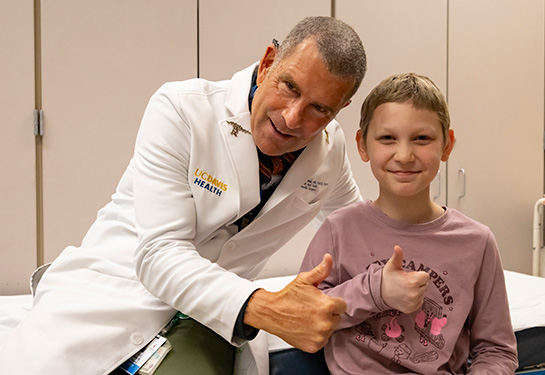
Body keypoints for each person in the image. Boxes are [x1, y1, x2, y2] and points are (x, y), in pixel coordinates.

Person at [0, 16, 367, 375]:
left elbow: (362, 231)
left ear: (340, 110)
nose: (291, 117)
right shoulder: (182, 109)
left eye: (320, 108)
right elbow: (159, 253)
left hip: (212, 317)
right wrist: (266, 307)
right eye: (289, 86)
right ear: (268, 62)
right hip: (116, 292)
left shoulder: (329, 154)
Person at [299, 72, 518, 374]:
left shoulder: (477, 242)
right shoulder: (338, 230)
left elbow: (497, 350)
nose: (404, 155)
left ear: (447, 145)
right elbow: (302, 318)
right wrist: (376, 291)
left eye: (422, 138)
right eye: (387, 138)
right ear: (362, 145)